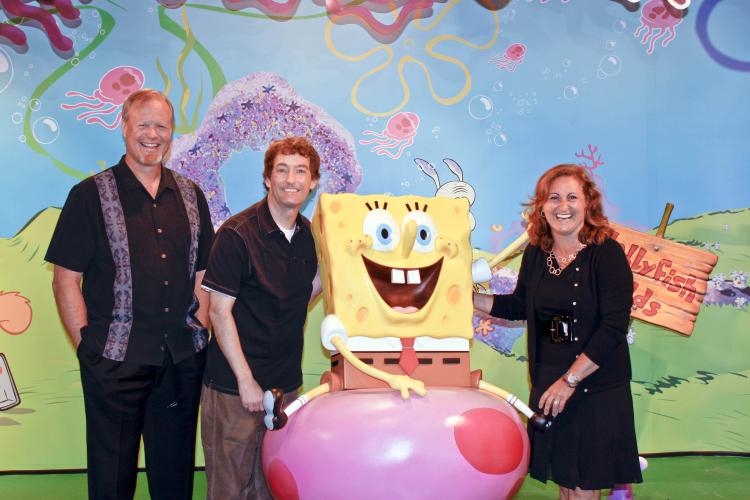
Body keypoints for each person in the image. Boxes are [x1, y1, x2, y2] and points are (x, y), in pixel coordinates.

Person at [46, 89, 215, 500]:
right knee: (111, 481)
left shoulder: (192, 196)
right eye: (144, 124)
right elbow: (65, 279)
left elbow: (203, 274)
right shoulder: (88, 196)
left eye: (162, 126)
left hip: (180, 361)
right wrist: (89, 349)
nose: (152, 135)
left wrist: (200, 332)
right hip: (114, 362)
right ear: (124, 127)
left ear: (172, 133)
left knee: (174, 479)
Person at [473, 164, 642, 499]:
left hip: (593, 387)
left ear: (588, 204)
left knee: (582, 488)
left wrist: (570, 381)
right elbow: (521, 305)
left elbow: (612, 328)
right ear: (542, 206)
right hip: (549, 380)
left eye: (572, 197)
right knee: (566, 484)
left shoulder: (607, 254)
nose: (562, 206)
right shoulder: (537, 252)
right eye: (553, 198)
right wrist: (466, 298)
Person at [200, 136, 321, 500]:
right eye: (281, 170)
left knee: (271, 485)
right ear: (267, 178)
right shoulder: (237, 235)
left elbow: (307, 290)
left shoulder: (309, 237)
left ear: (313, 181)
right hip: (234, 388)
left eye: (301, 171)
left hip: (285, 385)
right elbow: (218, 312)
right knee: (230, 489)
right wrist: (245, 380)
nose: (291, 179)